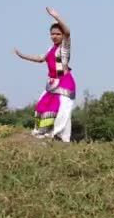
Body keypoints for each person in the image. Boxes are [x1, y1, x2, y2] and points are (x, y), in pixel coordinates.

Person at [14, 7, 75, 142]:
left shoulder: (64, 47)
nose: (55, 36)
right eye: (52, 34)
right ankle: (43, 132)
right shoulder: (50, 49)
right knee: (42, 106)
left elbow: (68, 32)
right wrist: (22, 56)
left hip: (65, 83)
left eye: (58, 34)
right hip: (52, 84)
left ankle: (59, 137)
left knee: (62, 112)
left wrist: (56, 16)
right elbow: (40, 59)